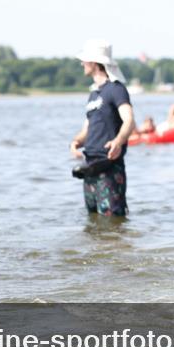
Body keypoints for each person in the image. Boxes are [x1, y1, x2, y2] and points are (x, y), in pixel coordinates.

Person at [69, 40, 135, 216]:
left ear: (94, 62)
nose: (82, 63)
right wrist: (76, 142)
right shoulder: (93, 94)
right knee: (93, 222)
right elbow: (88, 129)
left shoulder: (116, 89)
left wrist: (118, 141)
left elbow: (129, 120)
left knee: (113, 220)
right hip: (90, 167)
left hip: (110, 168)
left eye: (85, 60)